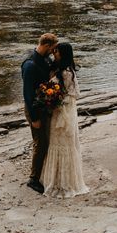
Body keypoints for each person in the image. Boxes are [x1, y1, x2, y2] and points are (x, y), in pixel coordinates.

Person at [41, 42, 88, 198]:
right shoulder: (62, 70)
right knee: (56, 143)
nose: (55, 53)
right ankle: (56, 180)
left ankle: (64, 183)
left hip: (63, 113)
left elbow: (73, 94)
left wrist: (56, 98)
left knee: (63, 143)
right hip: (59, 112)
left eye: (57, 51)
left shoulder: (67, 73)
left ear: (63, 53)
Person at [21, 33, 59, 194]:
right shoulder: (29, 64)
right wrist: (34, 117)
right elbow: (27, 94)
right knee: (40, 142)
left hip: (43, 106)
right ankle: (33, 179)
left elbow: (49, 72)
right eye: (52, 48)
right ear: (46, 45)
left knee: (43, 141)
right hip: (34, 109)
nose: (53, 51)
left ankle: (40, 172)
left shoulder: (44, 59)